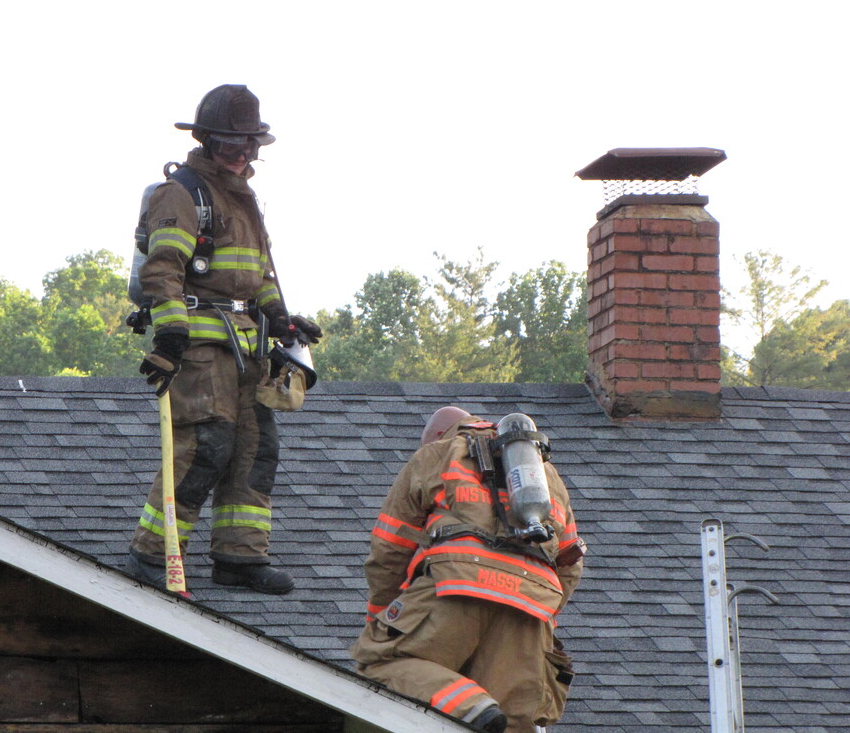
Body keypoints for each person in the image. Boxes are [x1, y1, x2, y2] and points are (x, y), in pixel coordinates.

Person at [125, 84, 321, 595]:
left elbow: (260, 275)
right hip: (199, 349)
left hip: (248, 350)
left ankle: (239, 557)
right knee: (206, 444)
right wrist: (170, 336)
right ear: (208, 140)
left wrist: (281, 320)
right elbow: (163, 271)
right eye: (233, 144)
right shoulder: (182, 194)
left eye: (250, 145)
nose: (244, 154)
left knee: (256, 449)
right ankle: (155, 551)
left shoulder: (245, 200)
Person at [351, 407, 585, 732]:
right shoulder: (548, 476)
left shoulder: (438, 453)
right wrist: (542, 618)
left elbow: (389, 547)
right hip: (530, 608)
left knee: (381, 661)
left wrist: (381, 617)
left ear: (436, 435)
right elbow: (570, 565)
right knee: (511, 724)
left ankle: (471, 704)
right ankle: (480, 708)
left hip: (455, 589)